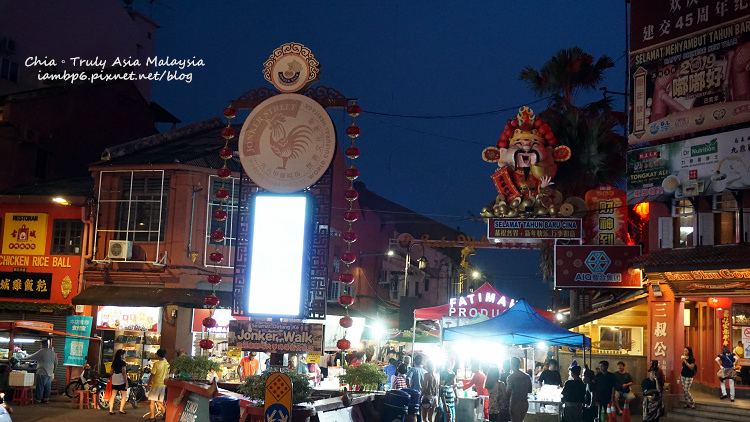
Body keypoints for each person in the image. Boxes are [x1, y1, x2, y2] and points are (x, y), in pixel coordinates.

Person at [22, 338, 57, 404]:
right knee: (47, 387)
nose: (40, 346)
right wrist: (53, 371)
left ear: (43, 345)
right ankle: (46, 399)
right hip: (50, 373)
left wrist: (23, 359)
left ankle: (38, 399)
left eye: (41, 345)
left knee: (40, 386)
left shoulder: (42, 351)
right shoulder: (53, 353)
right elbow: (56, 363)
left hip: (42, 372)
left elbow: (32, 357)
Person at [506, 357, 532, 422]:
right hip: (524, 403)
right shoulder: (527, 376)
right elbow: (530, 390)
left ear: (511, 365)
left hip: (515, 403)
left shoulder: (511, 377)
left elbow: (509, 392)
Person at [146, 349, 168, 421]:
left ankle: (152, 417)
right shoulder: (167, 364)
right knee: (158, 400)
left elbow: (152, 375)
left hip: (156, 384)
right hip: (163, 384)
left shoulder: (156, 364)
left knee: (152, 401)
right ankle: (165, 411)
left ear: (158, 355)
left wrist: (148, 384)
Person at [109, 349, 129, 415]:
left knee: (113, 395)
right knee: (124, 395)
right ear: (121, 355)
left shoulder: (114, 362)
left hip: (115, 379)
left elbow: (111, 372)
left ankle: (111, 410)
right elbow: (124, 373)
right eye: (124, 354)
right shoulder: (122, 363)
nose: (124, 355)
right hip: (121, 379)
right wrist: (126, 383)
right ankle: (121, 409)